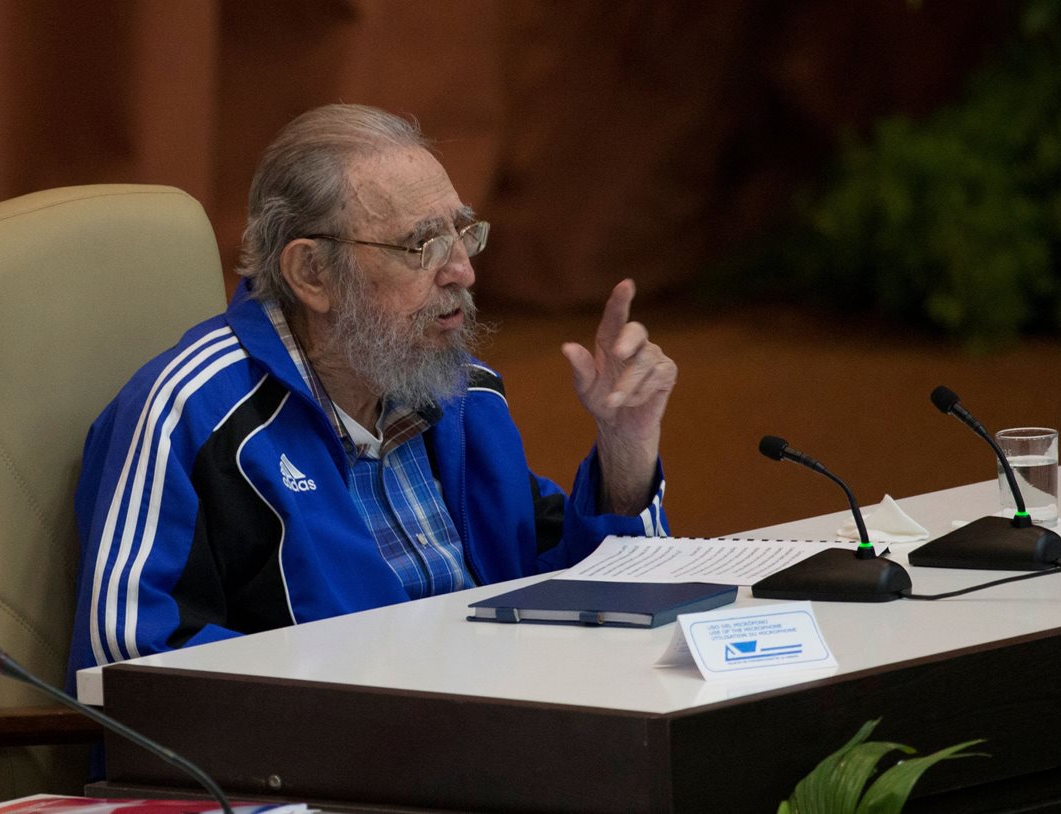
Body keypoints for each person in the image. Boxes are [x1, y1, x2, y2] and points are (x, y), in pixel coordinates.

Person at [67, 104, 677, 678]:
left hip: (497, 722)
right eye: (422, 246)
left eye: (463, 233)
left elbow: (584, 596)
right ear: (312, 273)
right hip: (332, 746)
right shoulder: (190, 416)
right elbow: (129, 663)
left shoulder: (464, 395)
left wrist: (626, 452)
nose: (462, 270)